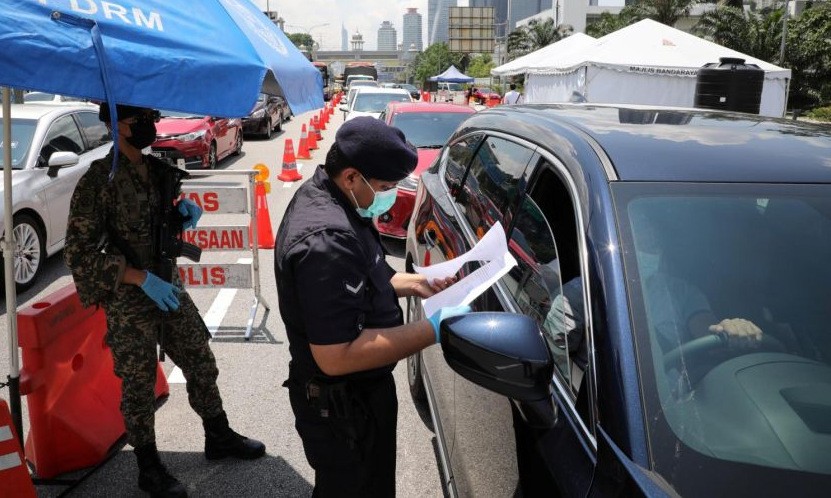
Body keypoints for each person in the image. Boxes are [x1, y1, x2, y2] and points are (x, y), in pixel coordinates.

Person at [64, 103, 266, 498]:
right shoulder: (96, 182)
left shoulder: (159, 172)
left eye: (151, 120)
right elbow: (79, 254)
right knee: (138, 384)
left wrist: (182, 213)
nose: (148, 127)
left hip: (167, 286)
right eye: (139, 121)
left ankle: (218, 434)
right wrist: (138, 277)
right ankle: (148, 466)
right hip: (130, 299)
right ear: (115, 124)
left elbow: (163, 218)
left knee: (200, 358)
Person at [275, 116, 468, 497]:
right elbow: (336, 355)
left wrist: (418, 283)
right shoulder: (326, 240)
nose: (391, 194)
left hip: (356, 400)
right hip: (343, 408)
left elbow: (362, 280)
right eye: (385, 187)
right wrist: (434, 328)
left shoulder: (336, 199)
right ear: (351, 176)